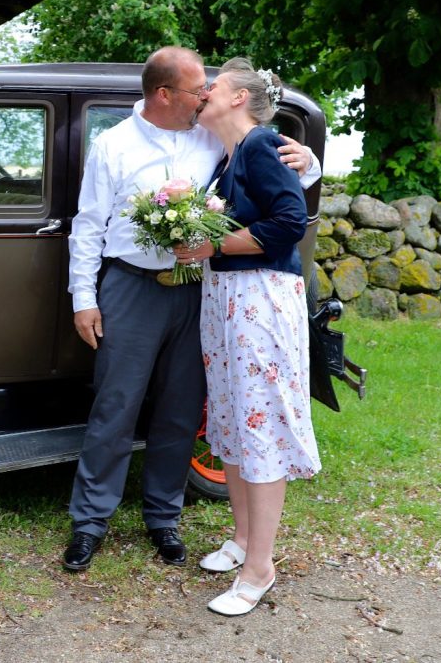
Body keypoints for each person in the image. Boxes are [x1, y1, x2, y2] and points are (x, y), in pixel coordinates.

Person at [63, 47, 320, 572]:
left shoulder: (211, 136)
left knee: (182, 409)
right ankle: (89, 523)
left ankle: (164, 518)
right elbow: (88, 225)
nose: (205, 94)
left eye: (209, 87)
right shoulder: (114, 144)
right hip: (130, 285)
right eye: (196, 88)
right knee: (115, 405)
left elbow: (270, 178)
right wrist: (83, 298)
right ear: (163, 94)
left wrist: (308, 162)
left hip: (199, 290)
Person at [172, 58, 321, 616]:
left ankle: (260, 567)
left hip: (260, 300)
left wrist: (211, 246)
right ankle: (241, 538)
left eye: (214, 87)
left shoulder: (260, 145)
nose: (204, 93)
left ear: (239, 98)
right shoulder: (228, 157)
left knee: (259, 426)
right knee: (234, 419)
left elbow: (289, 222)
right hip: (226, 300)